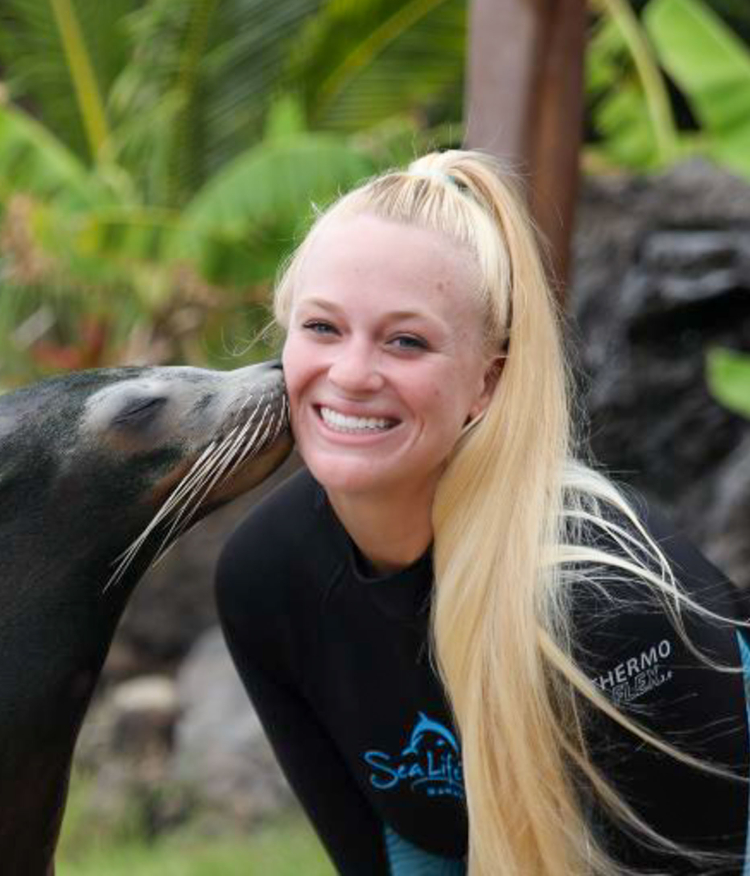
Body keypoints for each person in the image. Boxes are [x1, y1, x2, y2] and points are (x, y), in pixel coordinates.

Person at [214, 149, 750, 875]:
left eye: (407, 341)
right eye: (322, 328)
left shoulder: (609, 605)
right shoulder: (267, 579)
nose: (350, 374)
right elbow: (384, 858)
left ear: (486, 383)